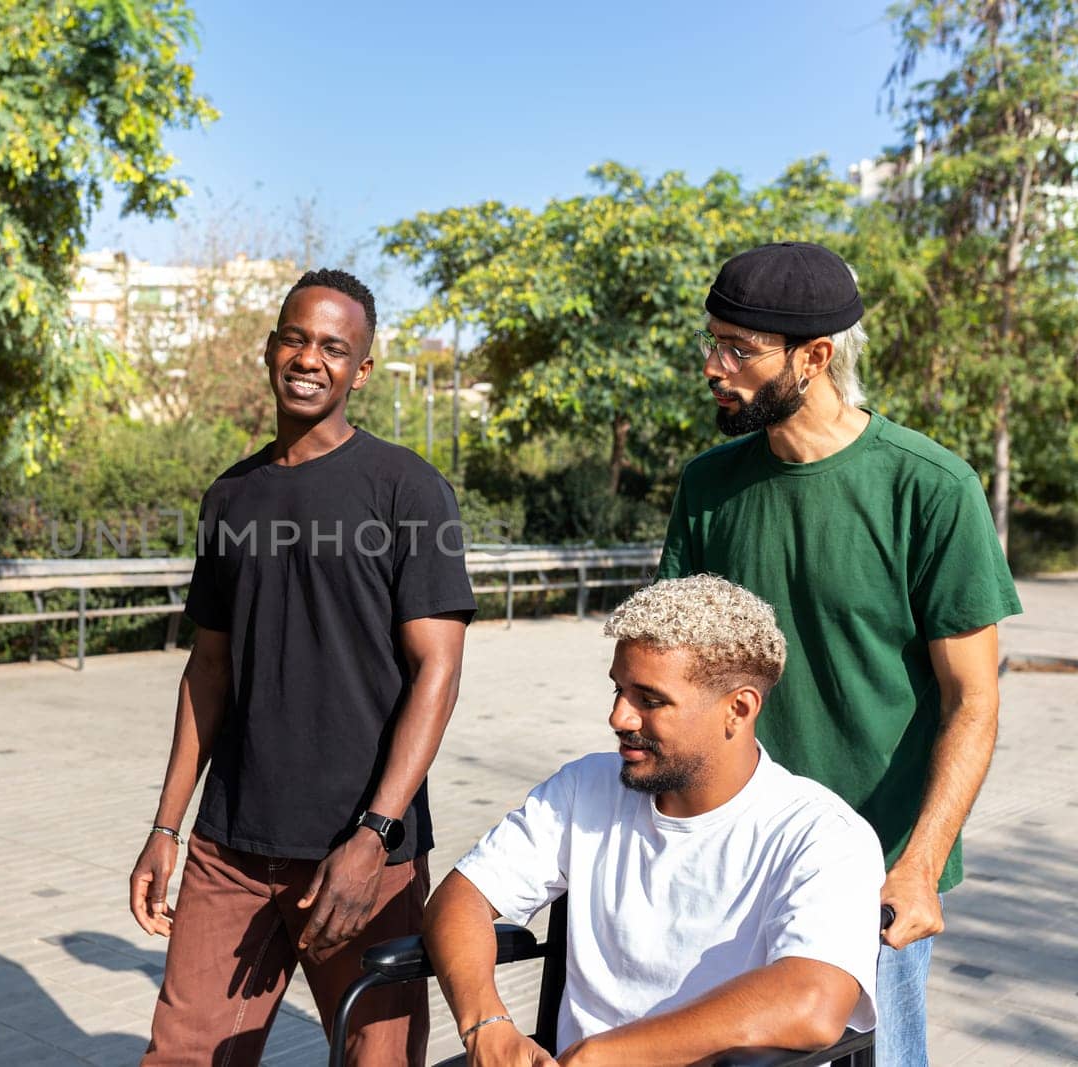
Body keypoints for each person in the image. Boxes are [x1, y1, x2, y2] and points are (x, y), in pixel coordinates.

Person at [658, 240, 1022, 1065]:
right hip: (729, 860)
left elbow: (974, 700)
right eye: (711, 341)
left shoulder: (930, 488)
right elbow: (672, 673)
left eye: (739, 349)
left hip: (873, 876)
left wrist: (920, 865)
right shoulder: (708, 487)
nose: (715, 367)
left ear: (815, 356)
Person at [128, 268, 476, 1066]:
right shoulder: (230, 498)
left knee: (378, 1062)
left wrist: (375, 833)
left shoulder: (409, 490)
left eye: (333, 346)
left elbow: (438, 671)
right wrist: (165, 827)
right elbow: (206, 670)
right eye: (296, 337)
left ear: (363, 368)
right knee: (181, 1055)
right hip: (231, 847)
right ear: (270, 347)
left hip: (359, 855)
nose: (309, 357)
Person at [426, 574, 886, 1066]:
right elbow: (461, 899)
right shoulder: (585, 787)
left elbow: (812, 1003)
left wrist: (601, 1056)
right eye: (618, 690)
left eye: (650, 700)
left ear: (739, 708)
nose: (618, 717)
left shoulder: (822, 836)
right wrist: (486, 1024)